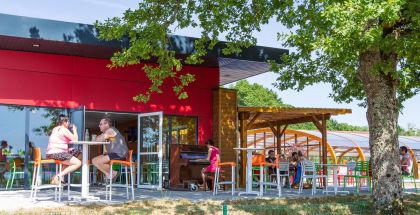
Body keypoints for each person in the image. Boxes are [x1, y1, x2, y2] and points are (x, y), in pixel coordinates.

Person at [46, 114, 81, 185]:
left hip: (51, 153)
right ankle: (58, 176)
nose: (68, 123)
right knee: (78, 163)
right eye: (67, 122)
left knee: (77, 153)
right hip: (58, 153)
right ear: (64, 122)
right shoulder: (64, 129)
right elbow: (76, 140)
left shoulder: (55, 129)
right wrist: (74, 130)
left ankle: (60, 178)